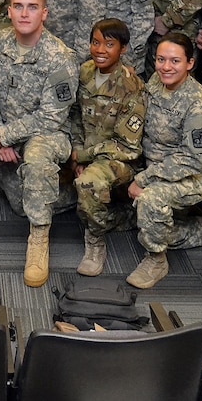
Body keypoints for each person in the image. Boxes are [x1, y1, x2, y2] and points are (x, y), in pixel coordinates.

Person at [0, 0, 79, 287]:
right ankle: (65, 194)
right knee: (19, 202)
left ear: (45, 13)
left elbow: (52, 117)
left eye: (33, 7)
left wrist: (4, 135)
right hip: (7, 135)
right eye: (19, 6)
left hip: (48, 136)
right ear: (9, 11)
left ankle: (39, 239)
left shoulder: (60, 57)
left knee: (36, 162)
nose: (25, 14)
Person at [125, 32, 202, 289]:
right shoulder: (156, 83)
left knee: (150, 201)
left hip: (193, 175)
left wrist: (144, 179)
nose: (166, 67)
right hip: (153, 164)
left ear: (190, 64)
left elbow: (192, 160)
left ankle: (159, 258)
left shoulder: (200, 105)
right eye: (160, 59)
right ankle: (162, 222)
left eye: (175, 61)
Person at [71, 19, 147, 276]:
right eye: (95, 42)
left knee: (87, 185)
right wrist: (75, 150)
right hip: (83, 151)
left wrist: (84, 156)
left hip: (119, 160)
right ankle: (120, 215)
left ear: (123, 49)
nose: (100, 49)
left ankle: (95, 240)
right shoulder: (83, 73)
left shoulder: (131, 86)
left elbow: (127, 145)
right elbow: (73, 116)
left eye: (109, 44)